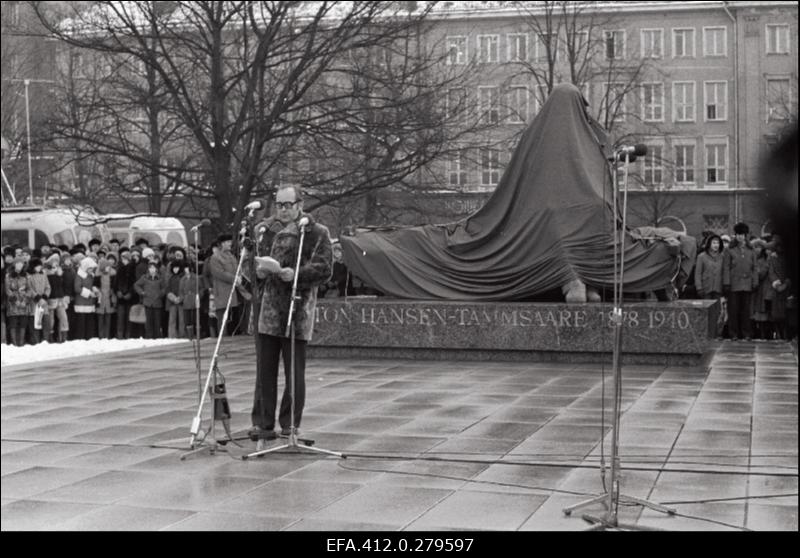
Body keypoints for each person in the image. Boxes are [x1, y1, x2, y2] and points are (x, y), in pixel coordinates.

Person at [248, 185, 333, 444]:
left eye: (288, 204)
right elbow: (246, 266)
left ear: (300, 204)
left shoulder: (316, 232)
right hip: (267, 311)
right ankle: (263, 423)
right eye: (279, 204)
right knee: (264, 372)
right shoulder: (263, 230)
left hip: (297, 311)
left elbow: (324, 268)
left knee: (294, 373)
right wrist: (257, 273)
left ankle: (290, 424)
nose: (283, 210)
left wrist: (295, 274)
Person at [722, 222, 758, 341]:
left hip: (747, 284)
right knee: (733, 310)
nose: (740, 237)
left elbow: (755, 267)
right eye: (738, 234)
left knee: (746, 311)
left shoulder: (751, 250)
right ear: (735, 235)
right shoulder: (729, 250)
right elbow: (726, 267)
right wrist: (726, 283)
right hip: (733, 284)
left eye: (742, 234)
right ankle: (733, 334)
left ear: (745, 235)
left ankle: (746, 333)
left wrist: (755, 282)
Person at [207, 233, 243, 336]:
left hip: (232, 290)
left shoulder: (231, 256)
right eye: (227, 242)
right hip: (222, 291)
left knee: (232, 318)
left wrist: (239, 276)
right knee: (222, 318)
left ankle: (231, 339)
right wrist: (234, 278)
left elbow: (237, 268)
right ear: (221, 244)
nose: (229, 244)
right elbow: (219, 273)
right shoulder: (215, 257)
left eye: (230, 242)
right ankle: (222, 339)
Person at [134, 259, 167, 339]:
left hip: (157, 302)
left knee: (157, 321)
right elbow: (136, 285)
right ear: (148, 269)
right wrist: (142, 292)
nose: (152, 269)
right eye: (150, 268)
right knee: (148, 322)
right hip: (147, 302)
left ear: (156, 269)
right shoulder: (144, 277)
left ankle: (157, 336)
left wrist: (160, 294)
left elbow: (165, 288)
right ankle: (149, 337)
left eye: (153, 268)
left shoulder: (160, 278)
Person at [6, 256, 31, 346]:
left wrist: (25, 301)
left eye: (21, 264)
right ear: (14, 264)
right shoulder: (8, 275)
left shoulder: (27, 275)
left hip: (24, 302)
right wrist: (15, 301)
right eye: (18, 263)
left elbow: (29, 289)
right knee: (13, 324)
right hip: (13, 303)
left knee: (23, 324)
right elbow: (8, 290)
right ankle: (14, 343)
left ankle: (21, 342)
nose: (20, 265)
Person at [73, 257, 100, 340]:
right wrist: (89, 293)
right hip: (81, 303)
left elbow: (92, 285)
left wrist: (95, 290)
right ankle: (80, 339)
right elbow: (77, 288)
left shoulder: (91, 275)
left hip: (90, 303)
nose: (92, 270)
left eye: (92, 268)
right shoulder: (79, 275)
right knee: (81, 323)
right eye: (90, 268)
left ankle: (89, 338)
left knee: (89, 323)